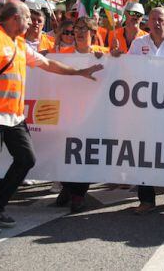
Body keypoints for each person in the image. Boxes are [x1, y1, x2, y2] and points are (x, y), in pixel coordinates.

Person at [0, 0, 103, 234]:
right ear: (15, 19)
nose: (31, 23)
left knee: (26, 159)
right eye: (27, 18)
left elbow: (48, 63)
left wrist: (80, 72)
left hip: (14, 117)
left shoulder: (19, 44)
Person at [122, 7, 164, 214]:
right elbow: (128, 69)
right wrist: (115, 58)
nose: (157, 22)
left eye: (161, 19)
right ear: (147, 22)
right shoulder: (138, 44)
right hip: (144, 109)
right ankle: (147, 199)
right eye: (153, 19)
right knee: (143, 152)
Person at [52, 16, 106, 212]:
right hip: (66, 112)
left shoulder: (103, 54)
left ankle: (78, 195)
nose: (79, 32)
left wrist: (115, 56)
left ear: (93, 32)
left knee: (86, 154)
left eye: (84, 28)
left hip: (93, 114)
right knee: (63, 152)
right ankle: (67, 187)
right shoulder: (61, 54)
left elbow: (123, 67)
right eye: (77, 28)